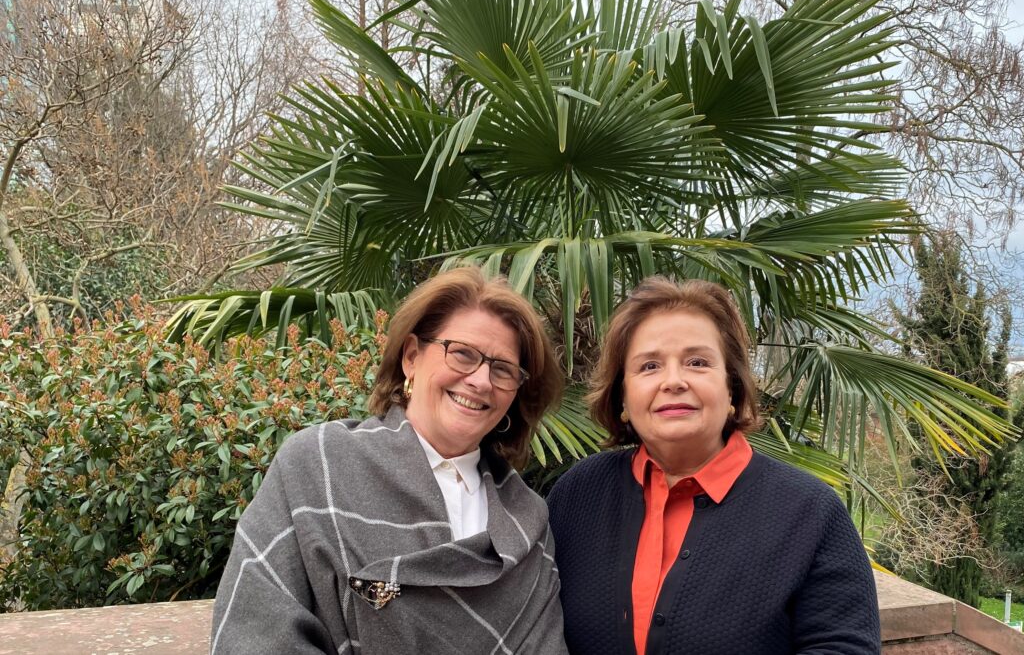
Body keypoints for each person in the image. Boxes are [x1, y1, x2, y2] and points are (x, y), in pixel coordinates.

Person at [212, 267, 567, 654]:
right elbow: (256, 634)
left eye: (502, 369)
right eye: (463, 354)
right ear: (412, 357)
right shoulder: (316, 466)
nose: (481, 381)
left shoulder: (528, 520)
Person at [547, 277, 880, 655]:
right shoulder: (578, 495)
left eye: (697, 362)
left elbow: (842, 647)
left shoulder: (809, 512)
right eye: (649, 365)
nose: (673, 381)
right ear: (623, 395)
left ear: (732, 389)